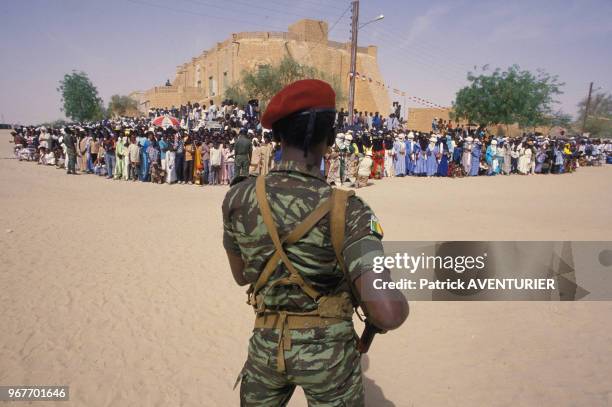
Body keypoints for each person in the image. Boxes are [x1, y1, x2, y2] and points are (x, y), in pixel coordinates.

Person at [222, 79, 408, 406]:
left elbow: (241, 276)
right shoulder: (349, 210)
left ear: (277, 136)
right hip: (331, 357)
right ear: (332, 138)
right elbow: (388, 313)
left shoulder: (238, 197)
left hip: (266, 347)